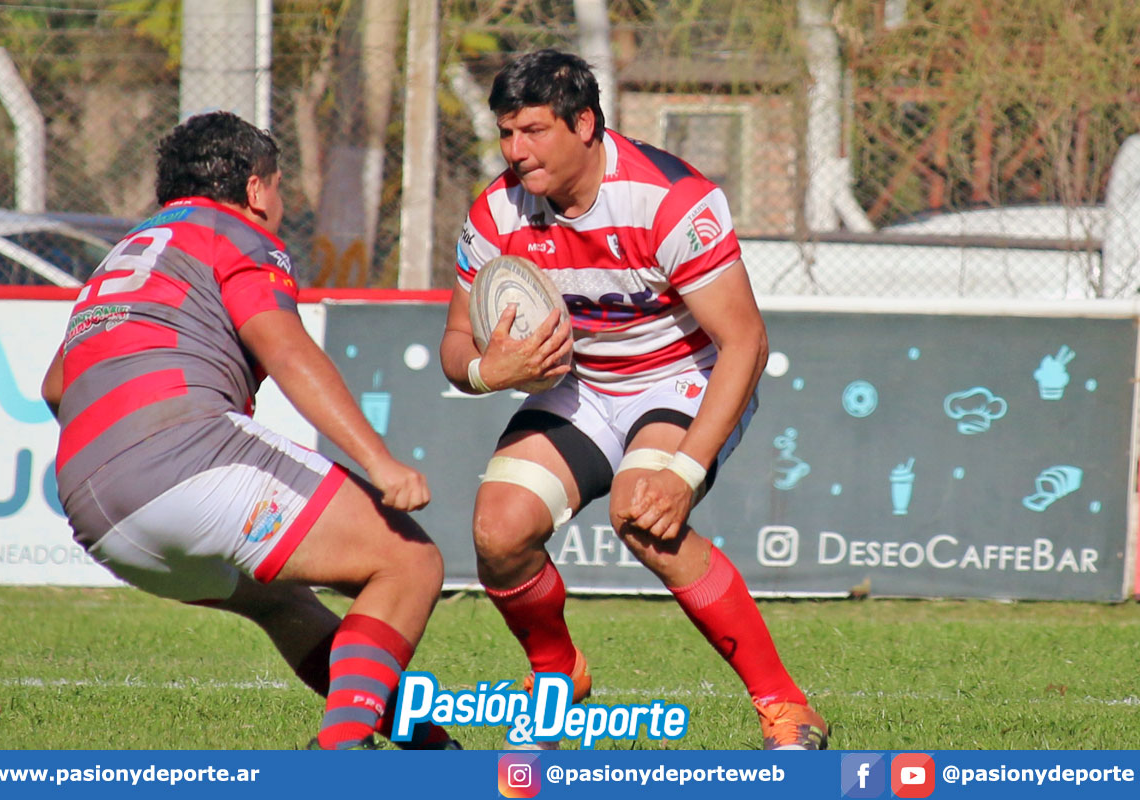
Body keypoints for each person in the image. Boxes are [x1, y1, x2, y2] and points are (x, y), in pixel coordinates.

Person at [439, 49, 827, 750]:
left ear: (585, 123)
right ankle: (557, 675)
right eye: (506, 133)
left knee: (644, 514)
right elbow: (456, 341)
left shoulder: (670, 199)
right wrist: (485, 372)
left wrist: (684, 472)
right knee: (499, 532)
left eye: (534, 131)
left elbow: (746, 343)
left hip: (684, 376)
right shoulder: (496, 212)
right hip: (580, 385)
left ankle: (787, 707)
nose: (515, 152)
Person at [41, 111, 455, 750]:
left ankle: (425, 747)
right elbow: (285, 348)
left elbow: (56, 386)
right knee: (409, 561)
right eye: (280, 186)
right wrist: (379, 461)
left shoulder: (127, 252)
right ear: (256, 188)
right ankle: (340, 753)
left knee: (282, 603)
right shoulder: (235, 231)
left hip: (92, 510)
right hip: (181, 456)